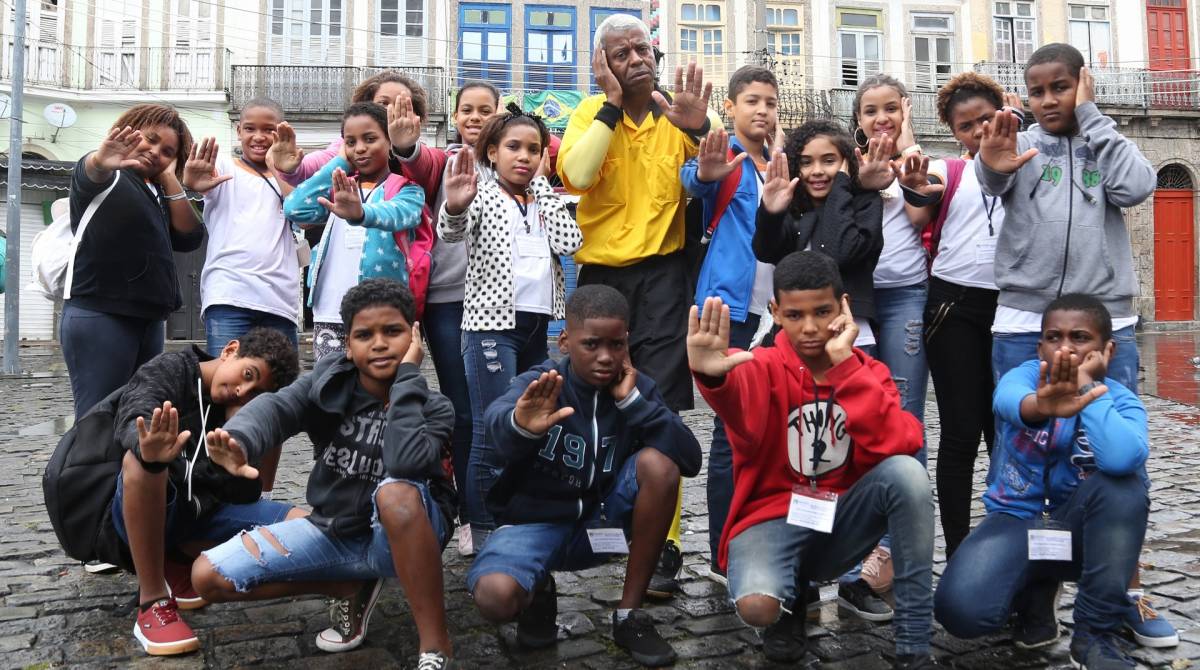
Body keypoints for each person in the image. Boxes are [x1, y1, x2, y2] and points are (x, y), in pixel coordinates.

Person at [975, 43, 1176, 649]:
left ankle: (1122, 593)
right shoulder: (1020, 140)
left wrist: (1093, 120)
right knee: (1026, 451)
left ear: (1082, 85)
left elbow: (1138, 187)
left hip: (1103, 319)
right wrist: (992, 163)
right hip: (1022, 321)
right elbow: (991, 184)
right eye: (1037, 91)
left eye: (1060, 88)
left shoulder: (1104, 139)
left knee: (1114, 452)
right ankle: (1037, 599)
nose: (1046, 101)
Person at [192, 279, 458, 669]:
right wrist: (238, 440)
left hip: (402, 536)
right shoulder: (327, 385)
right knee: (207, 576)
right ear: (347, 345)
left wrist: (406, 379)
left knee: (395, 494)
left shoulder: (434, 408)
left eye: (393, 331)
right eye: (365, 334)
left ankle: (435, 646)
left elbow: (403, 462)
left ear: (414, 336)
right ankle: (348, 584)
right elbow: (277, 409)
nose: (380, 343)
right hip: (334, 533)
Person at [687, 251, 934, 668]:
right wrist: (713, 377)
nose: (811, 328)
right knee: (757, 607)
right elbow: (737, 398)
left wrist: (844, 370)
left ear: (844, 306)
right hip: (770, 520)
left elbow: (901, 444)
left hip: (838, 521)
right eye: (795, 315)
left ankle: (913, 645)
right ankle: (791, 599)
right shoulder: (759, 365)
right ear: (775, 313)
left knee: (908, 476)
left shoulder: (867, 372)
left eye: (822, 311)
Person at [559, 11, 716, 597]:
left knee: (663, 408)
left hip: (665, 276)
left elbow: (723, 172)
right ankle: (597, 519)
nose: (636, 60)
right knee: (591, 400)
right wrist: (605, 103)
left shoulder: (681, 111)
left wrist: (699, 132)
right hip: (600, 275)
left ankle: (665, 542)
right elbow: (575, 171)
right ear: (603, 65)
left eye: (642, 48)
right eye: (621, 54)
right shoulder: (586, 113)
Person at [467, 285, 702, 667]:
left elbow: (689, 459)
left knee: (660, 464)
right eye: (592, 344)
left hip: (603, 523)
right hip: (535, 523)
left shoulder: (636, 388)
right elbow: (496, 426)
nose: (606, 357)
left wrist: (635, 404)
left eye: (617, 344)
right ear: (565, 341)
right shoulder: (543, 383)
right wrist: (520, 426)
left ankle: (629, 616)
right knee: (495, 597)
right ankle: (538, 590)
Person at [935, 294, 1152, 670]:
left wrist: (1087, 391)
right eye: (1054, 337)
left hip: (1084, 533)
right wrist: (1041, 406)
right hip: (1017, 522)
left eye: (1080, 337)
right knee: (960, 611)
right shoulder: (1024, 377)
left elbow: (1122, 458)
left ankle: (1094, 634)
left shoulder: (1122, 402)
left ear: (1108, 349)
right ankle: (1035, 595)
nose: (1065, 347)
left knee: (1125, 486)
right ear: (1040, 346)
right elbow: (1007, 401)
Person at [438, 110, 582, 550]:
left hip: (536, 328)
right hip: (490, 329)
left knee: (528, 426)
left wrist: (541, 186)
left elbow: (570, 242)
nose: (524, 157)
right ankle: (480, 527)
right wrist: (455, 205)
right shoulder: (479, 194)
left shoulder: (544, 200)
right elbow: (450, 231)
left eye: (534, 150)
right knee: (490, 426)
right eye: (513, 148)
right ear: (493, 152)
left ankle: (517, 514)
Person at [109, 328, 301, 655]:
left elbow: (241, 498)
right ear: (230, 350)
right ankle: (152, 602)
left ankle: (179, 560)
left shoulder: (241, 413)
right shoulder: (173, 370)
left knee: (304, 524)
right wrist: (147, 447)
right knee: (143, 463)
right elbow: (133, 415)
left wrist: (236, 445)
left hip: (200, 517)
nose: (241, 391)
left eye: (255, 393)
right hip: (142, 513)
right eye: (247, 374)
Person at [389, 80, 504, 553]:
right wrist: (404, 144)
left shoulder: (513, 156)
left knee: (492, 408)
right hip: (447, 299)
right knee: (460, 407)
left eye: (485, 110)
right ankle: (464, 507)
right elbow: (417, 160)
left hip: (498, 302)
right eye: (466, 111)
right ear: (454, 118)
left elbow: (551, 146)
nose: (475, 118)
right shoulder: (446, 159)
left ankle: (492, 504)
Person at [842, 73, 944, 605]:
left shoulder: (919, 161)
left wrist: (905, 153)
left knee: (905, 418)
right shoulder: (846, 164)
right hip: (855, 303)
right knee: (858, 420)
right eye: (870, 111)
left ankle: (897, 550)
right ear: (857, 120)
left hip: (905, 296)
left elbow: (916, 212)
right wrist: (862, 177)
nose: (880, 118)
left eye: (890, 108)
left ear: (905, 109)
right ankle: (856, 541)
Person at [919, 73, 1015, 557]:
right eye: (965, 125)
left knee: (1006, 430)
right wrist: (915, 183)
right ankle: (958, 550)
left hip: (1014, 308)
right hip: (953, 307)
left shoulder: (1027, 163)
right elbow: (924, 191)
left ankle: (1005, 545)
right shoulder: (946, 170)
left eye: (985, 118)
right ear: (953, 132)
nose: (978, 130)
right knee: (960, 432)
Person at [61, 104, 204, 420]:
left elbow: (190, 236)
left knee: (133, 416)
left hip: (149, 319)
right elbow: (90, 172)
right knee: (98, 421)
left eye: (167, 151)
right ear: (130, 129)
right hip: (101, 314)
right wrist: (100, 160)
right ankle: (84, 472)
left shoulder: (154, 191)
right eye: (150, 140)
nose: (155, 152)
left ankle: (122, 472)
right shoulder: (110, 176)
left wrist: (168, 177)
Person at [283, 103, 425, 360]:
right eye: (351, 142)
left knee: (382, 392)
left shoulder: (407, 189)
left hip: (381, 313)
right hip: (330, 310)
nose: (360, 148)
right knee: (331, 391)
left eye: (370, 139)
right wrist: (339, 163)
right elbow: (294, 208)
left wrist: (361, 214)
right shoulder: (339, 187)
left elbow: (401, 214)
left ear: (390, 142)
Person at [184, 98, 300, 355]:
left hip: (279, 299)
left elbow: (303, 215)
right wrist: (192, 183)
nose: (258, 137)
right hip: (228, 294)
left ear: (281, 131)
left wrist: (278, 170)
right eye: (250, 129)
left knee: (281, 390)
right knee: (228, 386)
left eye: (268, 130)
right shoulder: (223, 167)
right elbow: (198, 179)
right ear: (238, 131)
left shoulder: (294, 176)